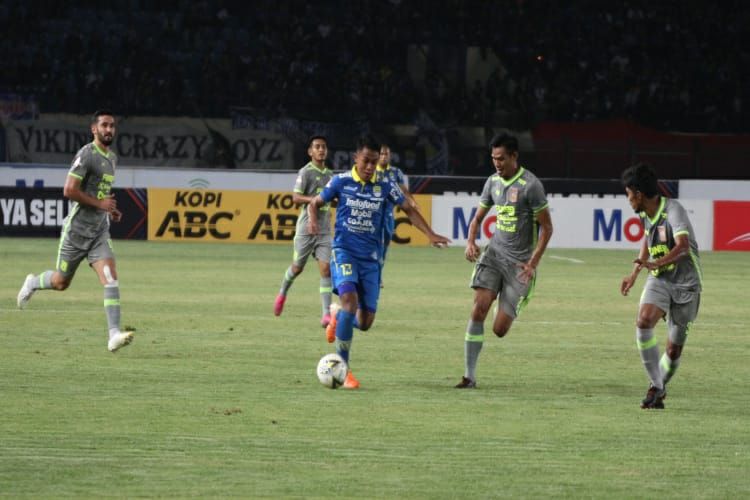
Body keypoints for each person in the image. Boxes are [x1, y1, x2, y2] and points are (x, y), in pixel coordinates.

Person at [308, 134, 451, 389]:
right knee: (350, 301)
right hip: (344, 252)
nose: (370, 167)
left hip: (371, 260)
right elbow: (315, 204)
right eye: (366, 161)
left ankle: (337, 314)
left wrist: (429, 234)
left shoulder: (385, 185)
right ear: (356, 158)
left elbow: (408, 208)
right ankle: (343, 369)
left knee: (364, 323)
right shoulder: (340, 181)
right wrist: (312, 221)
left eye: (374, 162)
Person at [16, 110, 134, 352]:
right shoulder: (86, 155)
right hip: (77, 232)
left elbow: (99, 193)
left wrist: (108, 210)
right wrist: (100, 204)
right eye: (104, 125)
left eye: (112, 126)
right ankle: (33, 282)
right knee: (60, 283)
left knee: (110, 278)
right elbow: (69, 190)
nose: (109, 130)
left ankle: (113, 335)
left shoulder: (112, 158)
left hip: (99, 232)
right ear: (94, 129)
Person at [455, 133, 553, 389]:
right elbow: (477, 218)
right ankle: (469, 376)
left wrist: (533, 263)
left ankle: (511, 299)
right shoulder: (492, 183)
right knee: (479, 307)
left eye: (501, 159)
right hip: (494, 254)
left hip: (520, 265)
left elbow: (547, 228)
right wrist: (470, 241)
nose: (496, 163)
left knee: (499, 330)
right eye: (493, 158)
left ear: (514, 156)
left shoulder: (531, 186)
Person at [620, 163, 702, 409]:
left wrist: (657, 262)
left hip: (686, 284)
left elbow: (683, 246)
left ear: (639, 194)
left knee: (673, 349)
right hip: (660, 278)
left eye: (628, 194)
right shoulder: (646, 215)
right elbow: (647, 239)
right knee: (644, 320)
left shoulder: (673, 209)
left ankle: (658, 388)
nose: (628, 200)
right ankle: (656, 386)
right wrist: (634, 273)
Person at [273, 135, 334, 327]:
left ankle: (325, 314)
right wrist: (316, 200)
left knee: (325, 270)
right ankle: (283, 292)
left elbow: (332, 199)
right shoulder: (306, 172)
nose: (321, 150)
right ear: (310, 152)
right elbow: (296, 197)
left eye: (323, 146)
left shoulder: (331, 175)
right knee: (297, 267)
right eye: (317, 147)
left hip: (324, 228)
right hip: (306, 227)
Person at [376, 144, 418, 279]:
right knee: (376, 244)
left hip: (389, 214)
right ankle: (375, 275)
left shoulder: (395, 172)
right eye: (381, 154)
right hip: (374, 214)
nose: (383, 157)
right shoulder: (371, 171)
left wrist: (411, 201)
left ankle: (379, 272)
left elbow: (404, 190)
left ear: (390, 156)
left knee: (385, 245)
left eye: (386, 154)